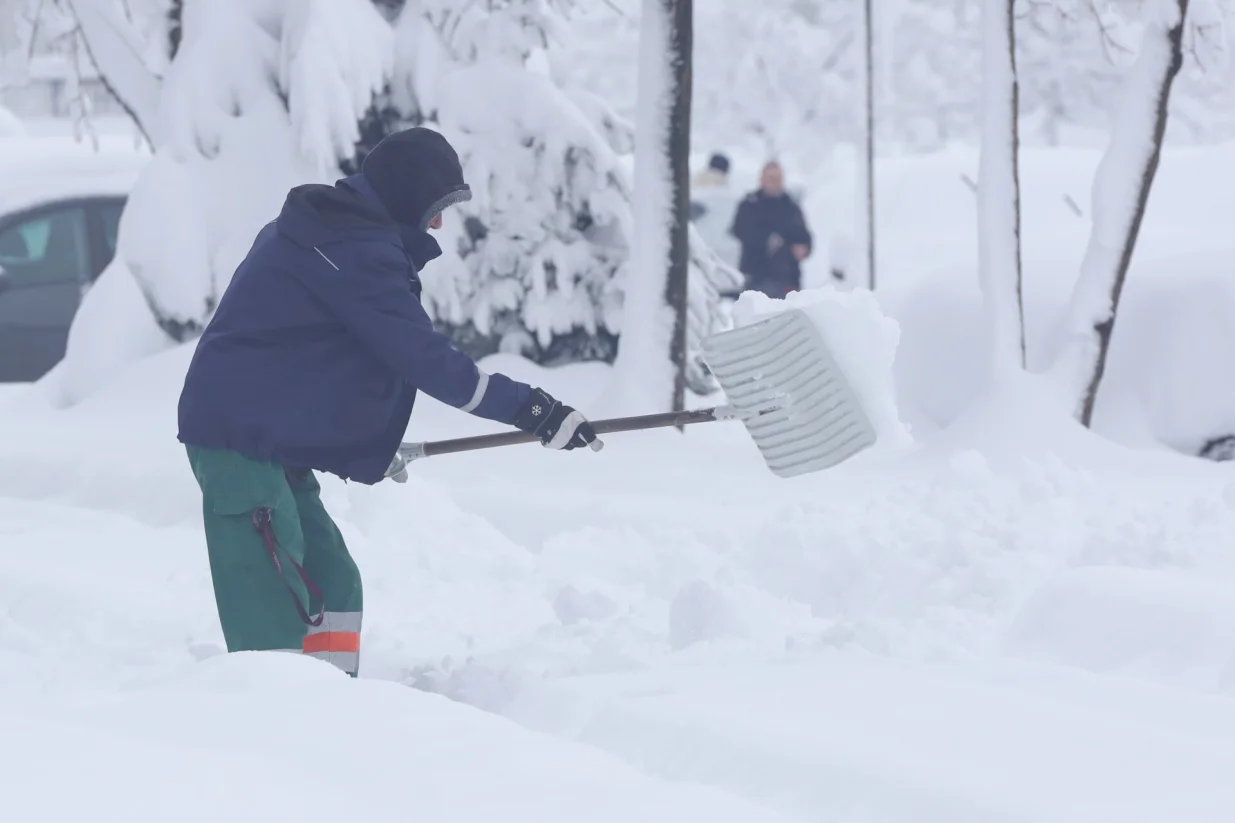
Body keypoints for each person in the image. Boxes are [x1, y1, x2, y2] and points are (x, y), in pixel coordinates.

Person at [176, 127, 602, 678]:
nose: (439, 224)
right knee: (273, 592)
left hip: (269, 434)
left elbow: (305, 358)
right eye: (435, 208)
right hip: (234, 436)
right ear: (405, 196)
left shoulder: (332, 235)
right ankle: (275, 717)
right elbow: (423, 359)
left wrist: (364, 440)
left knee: (331, 579)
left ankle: (333, 698)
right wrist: (532, 410)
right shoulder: (349, 250)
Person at [730, 161, 813, 298]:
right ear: (762, 180)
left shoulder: (790, 207)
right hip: (757, 276)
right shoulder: (750, 205)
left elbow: (804, 237)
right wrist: (768, 240)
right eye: (771, 179)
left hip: (787, 279)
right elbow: (739, 230)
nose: (775, 183)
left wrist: (803, 249)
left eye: (778, 179)